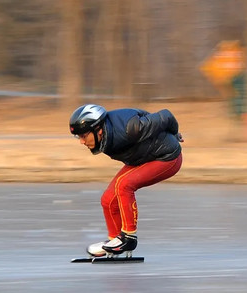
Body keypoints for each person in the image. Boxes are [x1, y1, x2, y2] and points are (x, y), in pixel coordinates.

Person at [69, 103, 184, 257]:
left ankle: (128, 237)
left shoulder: (130, 128)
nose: (82, 142)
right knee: (108, 200)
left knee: (124, 185)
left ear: (98, 129)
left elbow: (166, 115)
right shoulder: (104, 135)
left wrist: (174, 134)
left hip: (167, 157)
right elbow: (143, 114)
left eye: (83, 136)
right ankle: (114, 241)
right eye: (78, 137)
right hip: (143, 158)